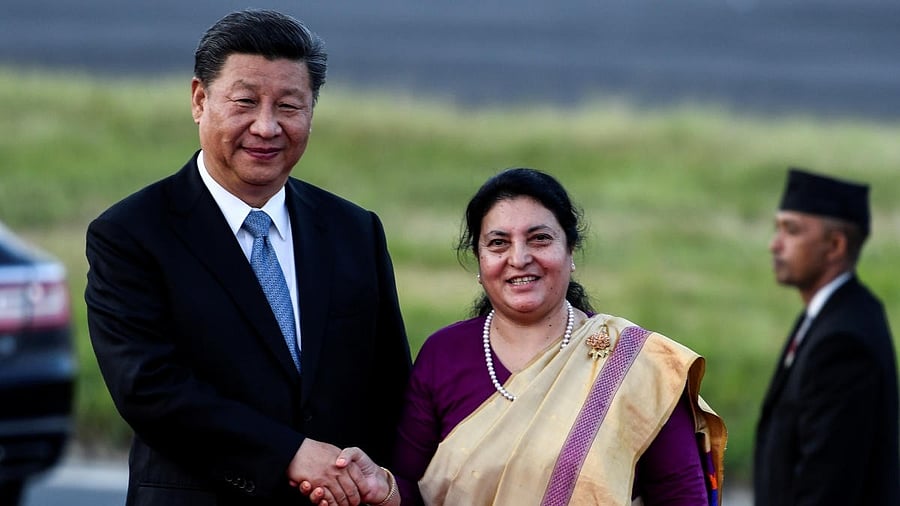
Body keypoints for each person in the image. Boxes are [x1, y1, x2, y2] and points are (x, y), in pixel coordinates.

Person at [84, 9, 411, 506]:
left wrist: (386, 483)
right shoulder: (132, 235)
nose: (266, 126)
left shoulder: (353, 230)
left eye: (288, 105)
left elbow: (390, 387)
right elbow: (149, 389)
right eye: (245, 102)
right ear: (199, 100)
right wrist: (288, 453)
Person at [342, 167, 725, 505]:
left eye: (539, 238)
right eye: (498, 243)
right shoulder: (444, 355)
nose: (519, 257)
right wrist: (383, 488)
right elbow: (412, 490)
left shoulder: (633, 364)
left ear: (570, 250)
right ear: (479, 261)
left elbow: (680, 497)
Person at [754, 168, 899, 505]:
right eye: (777, 229)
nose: (775, 245)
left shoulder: (844, 342)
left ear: (835, 245)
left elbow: (828, 484)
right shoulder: (831, 315)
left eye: (791, 230)